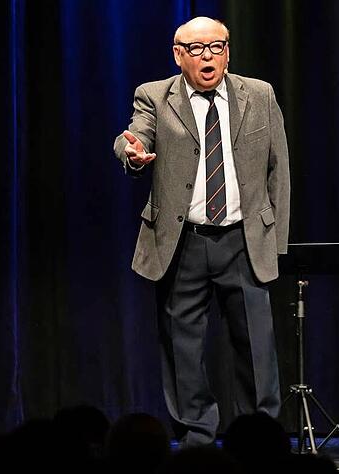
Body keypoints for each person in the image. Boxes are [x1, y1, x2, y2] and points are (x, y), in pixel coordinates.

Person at [113, 16, 290, 447]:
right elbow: (133, 138)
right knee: (183, 348)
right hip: (182, 243)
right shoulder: (155, 96)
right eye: (196, 49)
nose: (207, 56)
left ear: (227, 51)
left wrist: (275, 242)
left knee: (256, 347)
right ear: (179, 55)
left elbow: (278, 170)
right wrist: (132, 154)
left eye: (216, 47)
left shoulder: (259, 94)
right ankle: (197, 436)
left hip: (243, 240)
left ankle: (259, 435)